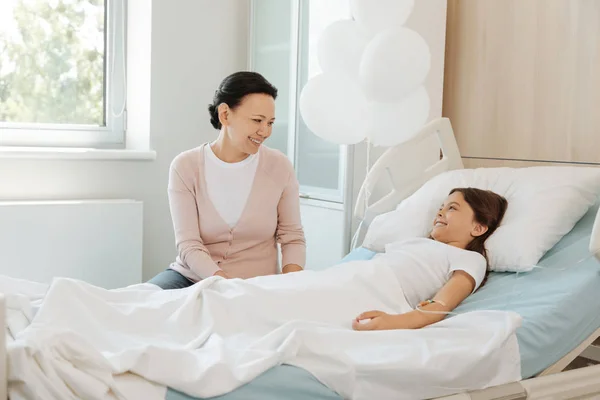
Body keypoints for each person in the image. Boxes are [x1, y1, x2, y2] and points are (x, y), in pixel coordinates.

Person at [149, 71, 306, 289]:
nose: (265, 131)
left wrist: (291, 285)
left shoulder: (280, 167)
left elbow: (292, 237)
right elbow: (189, 244)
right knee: (140, 303)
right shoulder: (185, 166)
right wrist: (225, 285)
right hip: (191, 278)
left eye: (270, 122)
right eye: (257, 120)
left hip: (256, 284)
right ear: (225, 114)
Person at [352, 187, 508, 331]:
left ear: (477, 228)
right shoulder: (416, 242)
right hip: (361, 275)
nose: (439, 213)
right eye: (441, 208)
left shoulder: (470, 258)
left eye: (452, 208)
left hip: (384, 292)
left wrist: (391, 322)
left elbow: (440, 304)